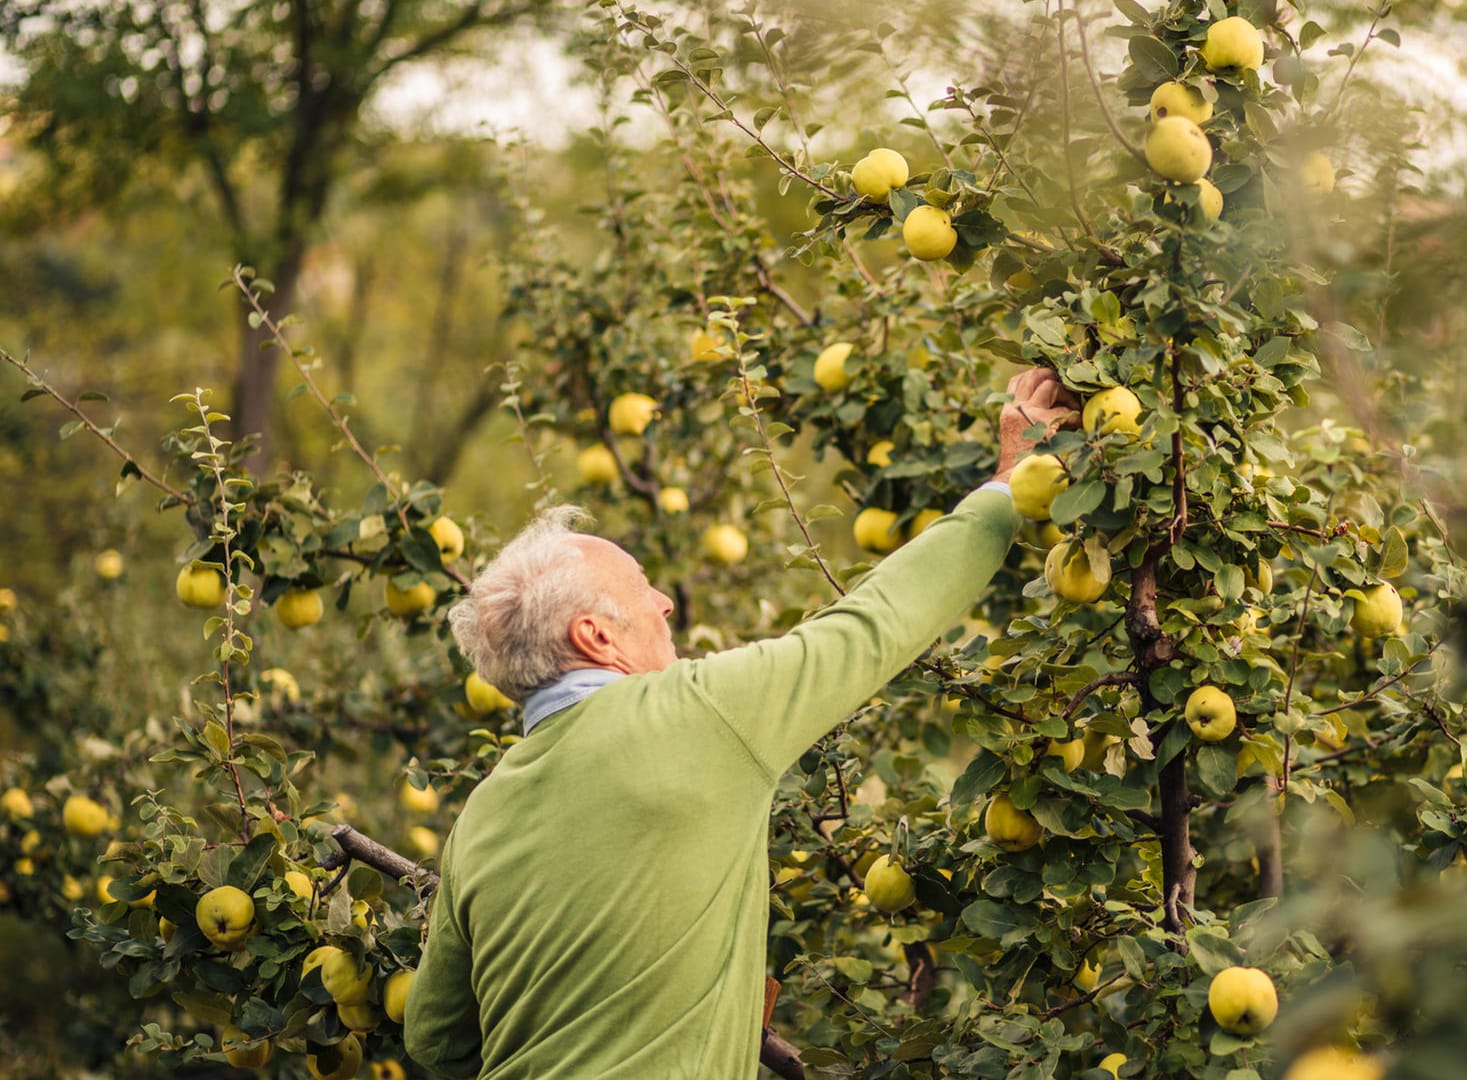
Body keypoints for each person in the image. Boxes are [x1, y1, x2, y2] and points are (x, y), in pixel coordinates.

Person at [404, 368, 1078, 1079]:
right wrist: (1010, 479)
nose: (664, 602)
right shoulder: (697, 714)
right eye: (640, 590)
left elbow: (435, 1041)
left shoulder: (480, 815)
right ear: (596, 636)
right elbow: (881, 620)